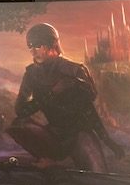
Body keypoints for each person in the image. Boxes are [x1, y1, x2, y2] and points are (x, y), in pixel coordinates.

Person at [7, 23, 123, 173]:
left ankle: (59, 164)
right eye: (30, 46)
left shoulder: (74, 70)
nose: (33, 51)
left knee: (96, 176)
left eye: (38, 45)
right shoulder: (31, 74)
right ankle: (52, 163)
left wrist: (107, 141)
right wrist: (52, 93)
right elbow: (21, 111)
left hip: (79, 135)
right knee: (20, 125)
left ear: (51, 44)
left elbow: (89, 110)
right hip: (54, 135)